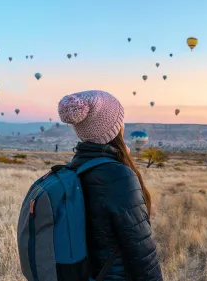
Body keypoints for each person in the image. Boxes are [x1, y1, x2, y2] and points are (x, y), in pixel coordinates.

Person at [58, 90, 163, 281]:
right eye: (120, 120)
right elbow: (141, 251)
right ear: (115, 128)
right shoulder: (118, 176)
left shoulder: (75, 167)